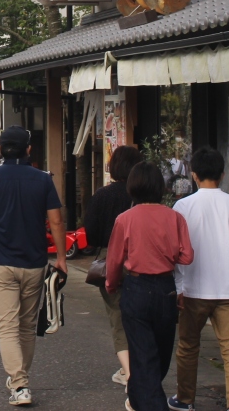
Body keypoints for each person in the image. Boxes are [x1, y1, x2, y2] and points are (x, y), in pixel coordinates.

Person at [0, 126, 65, 406]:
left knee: (7, 326)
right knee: (26, 325)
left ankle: (20, 384)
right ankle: (20, 378)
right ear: (29, 150)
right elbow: (56, 220)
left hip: (1, 260)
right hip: (34, 262)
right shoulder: (43, 179)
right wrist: (61, 258)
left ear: (0, 149)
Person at [169, 148, 229, 411]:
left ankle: (185, 399)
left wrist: (179, 286)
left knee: (188, 346)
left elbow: (176, 252)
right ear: (222, 175)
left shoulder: (182, 207)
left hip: (193, 288)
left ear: (193, 175)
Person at [105, 162, 194, 411]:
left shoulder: (125, 219)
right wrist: (167, 254)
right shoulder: (175, 217)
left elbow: (114, 260)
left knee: (142, 354)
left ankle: (146, 403)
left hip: (136, 286)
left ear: (132, 187)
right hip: (166, 288)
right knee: (161, 353)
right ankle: (139, 400)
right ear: (160, 187)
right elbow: (187, 256)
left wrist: (111, 284)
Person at [86, 145, 143, 389]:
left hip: (110, 259)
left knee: (117, 315)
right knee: (140, 316)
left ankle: (129, 373)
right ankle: (134, 368)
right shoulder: (141, 196)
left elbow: (90, 232)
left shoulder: (103, 195)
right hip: (142, 259)